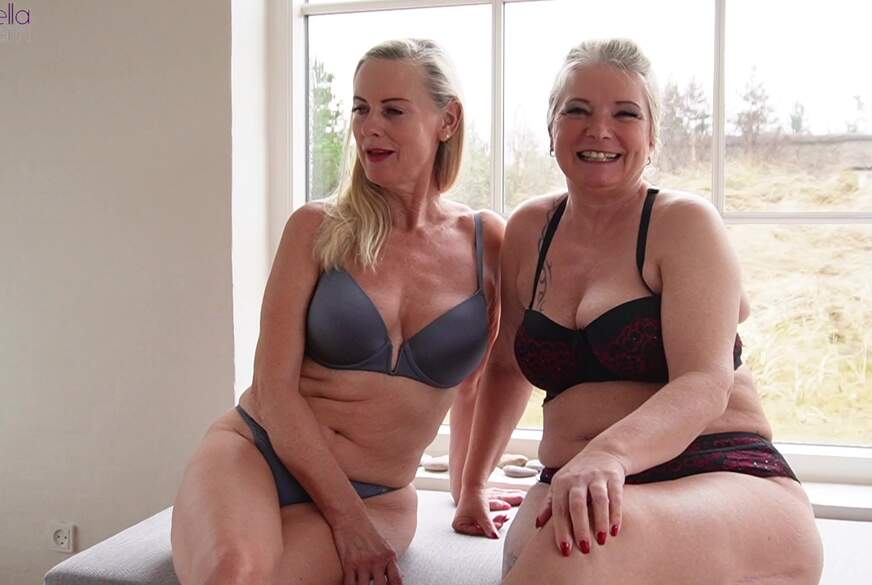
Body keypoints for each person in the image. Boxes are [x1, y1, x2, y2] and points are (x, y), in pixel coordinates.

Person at [453, 38, 823, 585]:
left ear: (652, 137)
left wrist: (608, 454)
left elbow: (705, 381)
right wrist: (473, 485)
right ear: (551, 127)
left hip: (719, 474)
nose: (598, 130)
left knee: (569, 550)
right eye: (577, 110)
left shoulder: (684, 223)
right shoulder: (531, 229)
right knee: (544, 548)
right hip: (576, 480)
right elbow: (507, 366)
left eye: (625, 114)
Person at [171, 38, 516, 585]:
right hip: (256, 455)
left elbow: (484, 381)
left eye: (393, 111)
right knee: (233, 574)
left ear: (447, 120)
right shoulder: (316, 228)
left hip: (378, 494)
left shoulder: (488, 242)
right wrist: (347, 523)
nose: (368, 127)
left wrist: (470, 487)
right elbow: (274, 389)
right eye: (360, 109)